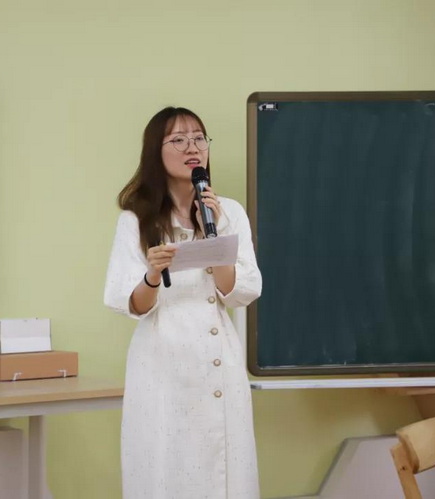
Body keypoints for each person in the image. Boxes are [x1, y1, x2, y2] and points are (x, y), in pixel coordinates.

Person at [103, 106, 263, 498]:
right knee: (165, 469)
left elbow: (240, 292)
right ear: (155, 152)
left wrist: (215, 233)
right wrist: (152, 274)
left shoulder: (228, 213)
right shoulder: (136, 220)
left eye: (198, 138)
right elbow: (134, 303)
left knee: (225, 471)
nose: (193, 148)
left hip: (218, 360)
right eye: (178, 139)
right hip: (161, 363)